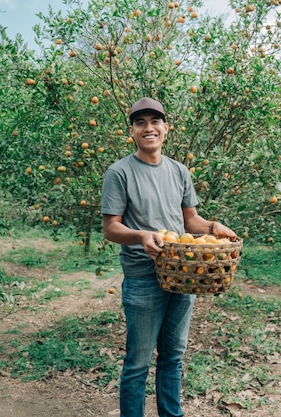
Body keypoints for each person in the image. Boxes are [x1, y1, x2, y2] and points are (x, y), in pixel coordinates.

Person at [101, 97, 236, 417]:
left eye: (155, 121)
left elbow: (191, 221)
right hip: (143, 276)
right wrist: (141, 236)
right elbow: (110, 228)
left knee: (173, 357)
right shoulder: (119, 173)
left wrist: (215, 227)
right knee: (138, 362)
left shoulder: (179, 171)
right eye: (140, 123)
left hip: (182, 276)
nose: (149, 128)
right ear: (132, 131)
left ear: (166, 128)